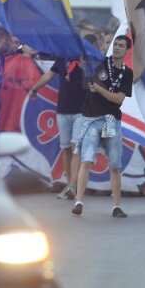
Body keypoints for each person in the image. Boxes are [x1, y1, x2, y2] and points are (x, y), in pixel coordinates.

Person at [71, 35, 134, 219]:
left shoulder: (127, 73)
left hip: (111, 120)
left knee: (114, 165)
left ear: (127, 50)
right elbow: (87, 81)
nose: (117, 48)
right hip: (91, 118)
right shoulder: (98, 62)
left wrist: (100, 90)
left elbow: (118, 99)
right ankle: (78, 202)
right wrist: (89, 78)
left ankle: (116, 206)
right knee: (87, 161)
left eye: (122, 45)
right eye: (115, 44)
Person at [29, 54, 87, 200]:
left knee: (76, 148)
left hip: (81, 111)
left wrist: (85, 67)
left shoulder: (86, 59)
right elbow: (48, 75)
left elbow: (94, 80)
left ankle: (74, 185)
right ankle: (69, 186)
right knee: (66, 148)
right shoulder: (62, 58)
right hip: (63, 110)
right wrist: (34, 88)